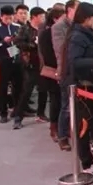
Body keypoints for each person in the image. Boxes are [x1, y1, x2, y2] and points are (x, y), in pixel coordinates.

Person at [61, 2, 93, 176]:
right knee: (84, 125)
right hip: (83, 85)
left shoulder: (88, 33)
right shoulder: (77, 36)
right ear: (85, 18)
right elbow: (74, 62)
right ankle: (86, 163)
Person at [12, 7, 46, 129]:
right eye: (41, 16)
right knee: (27, 91)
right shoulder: (25, 28)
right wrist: (33, 44)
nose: (43, 19)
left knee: (43, 90)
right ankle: (18, 117)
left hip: (43, 64)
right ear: (34, 17)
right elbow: (17, 43)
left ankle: (41, 114)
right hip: (30, 64)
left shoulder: (44, 29)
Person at [52, 0, 79, 151]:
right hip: (66, 71)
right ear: (69, 10)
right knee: (66, 106)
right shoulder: (58, 27)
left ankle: (76, 133)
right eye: (77, 9)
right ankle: (62, 137)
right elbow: (61, 50)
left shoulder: (77, 25)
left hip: (78, 70)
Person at [0, 6, 21, 124]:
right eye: (6, 18)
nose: (9, 20)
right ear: (1, 17)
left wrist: (17, 41)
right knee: (2, 87)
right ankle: (3, 112)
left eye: (11, 17)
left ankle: (17, 110)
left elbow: (22, 42)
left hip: (17, 60)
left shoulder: (17, 27)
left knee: (18, 86)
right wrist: (3, 42)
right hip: (4, 61)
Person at [38, 8, 64, 143]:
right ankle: (54, 128)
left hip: (63, 70)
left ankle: (64, 127)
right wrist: (59, 68)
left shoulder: (64, 31)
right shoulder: (46, 34)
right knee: (56, 100)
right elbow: (47, 55)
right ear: (55, 19)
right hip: (53, 71)